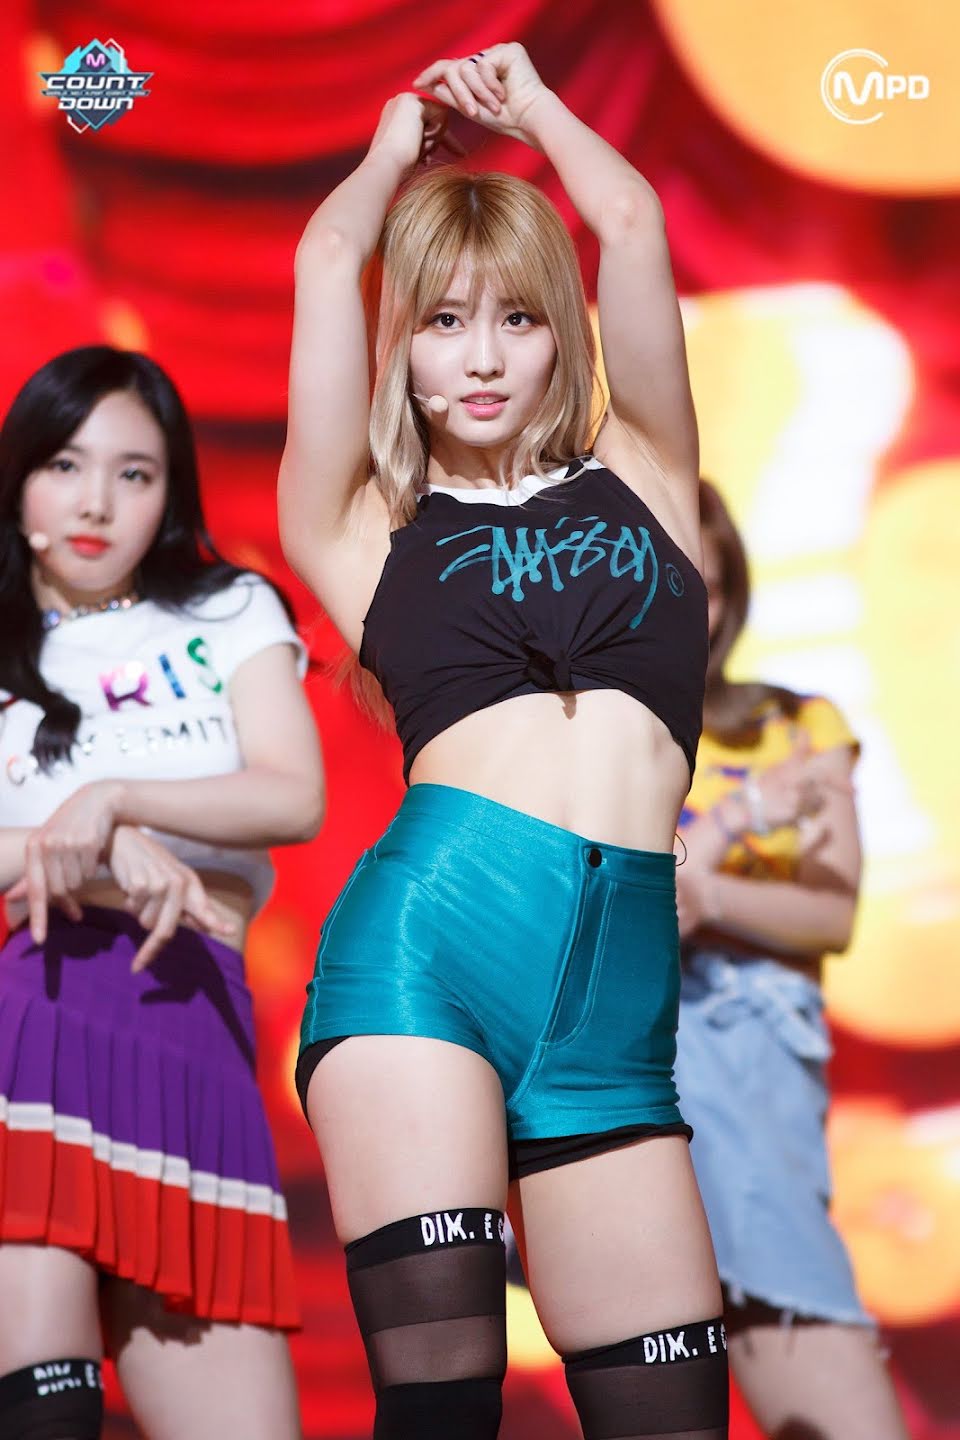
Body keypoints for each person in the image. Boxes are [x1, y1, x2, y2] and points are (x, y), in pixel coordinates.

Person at [282, 41, 728, 1440]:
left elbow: (634, 222)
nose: (481, 357)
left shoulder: (647, 471)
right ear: (401, 343)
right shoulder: (362, 531)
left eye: (519, 318)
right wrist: (390, 145)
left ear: (563, 334)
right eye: (443, 320)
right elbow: (324, 257)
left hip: (615, 1012)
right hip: (430, 954)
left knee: (673, 1416)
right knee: (445, 1409)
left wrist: (533, 106)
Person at [0, 345, 324, 1440]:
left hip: (195, 1026)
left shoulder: (231, 609)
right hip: (36, 1023)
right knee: (47, 1415)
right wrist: (97, 846)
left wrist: (114, 801)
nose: (96, 501)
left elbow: (294, 795)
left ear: (170, 492)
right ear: (19, 479)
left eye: (133, 473)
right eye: (65, 465)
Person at [672, 480, 908, 1439]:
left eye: (707, 585)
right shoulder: (584, 735)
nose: (689, 608)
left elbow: (833, 912)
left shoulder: (801, 722)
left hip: (767, 1062)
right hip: (656, 1049)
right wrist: (744, 817)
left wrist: (709, 892)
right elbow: (628, 910)